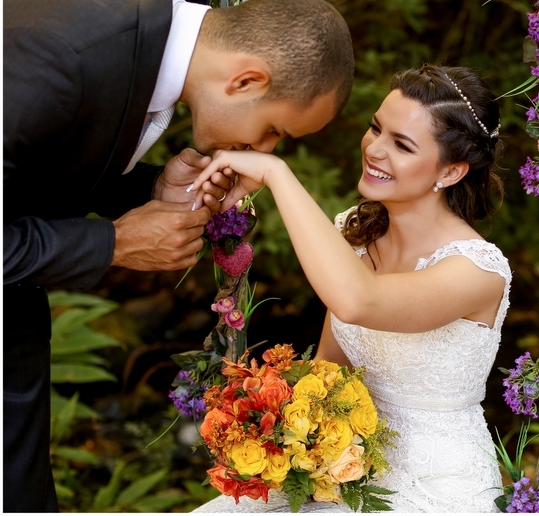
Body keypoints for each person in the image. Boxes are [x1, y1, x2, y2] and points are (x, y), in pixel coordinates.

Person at [3, 0, 354, 512]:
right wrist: (115, 242)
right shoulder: (67, 56)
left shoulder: (136, 37)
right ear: (246, 80)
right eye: (273, 131)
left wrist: (147, 191)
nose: (265, 151)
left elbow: (33, 167)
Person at [191, 65, 510, 513]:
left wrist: (276, 175)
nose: (375, 149)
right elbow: (330, 369)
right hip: (346, 464)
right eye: (375, 128)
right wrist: (280, 432)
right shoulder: (355, 235)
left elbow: (359, 302)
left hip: (436, 481)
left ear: (452, 171)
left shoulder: (478, 270)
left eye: (401, 144)